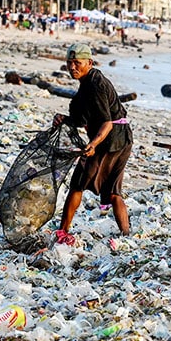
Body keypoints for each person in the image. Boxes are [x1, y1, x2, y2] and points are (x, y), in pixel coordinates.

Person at [52, 43, 133, 244]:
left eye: (77, 63)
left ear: (89, 62)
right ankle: (126, 234)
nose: (72, 67)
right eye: (69, 63)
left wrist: (94, 144)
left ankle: (63, 231)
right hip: (123, 139)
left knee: (78, 183)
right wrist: (64, 119)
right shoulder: (86, 85)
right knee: (113, 190)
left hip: (110, 140)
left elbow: (106, 122)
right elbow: (80, 119)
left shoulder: (96, 85)